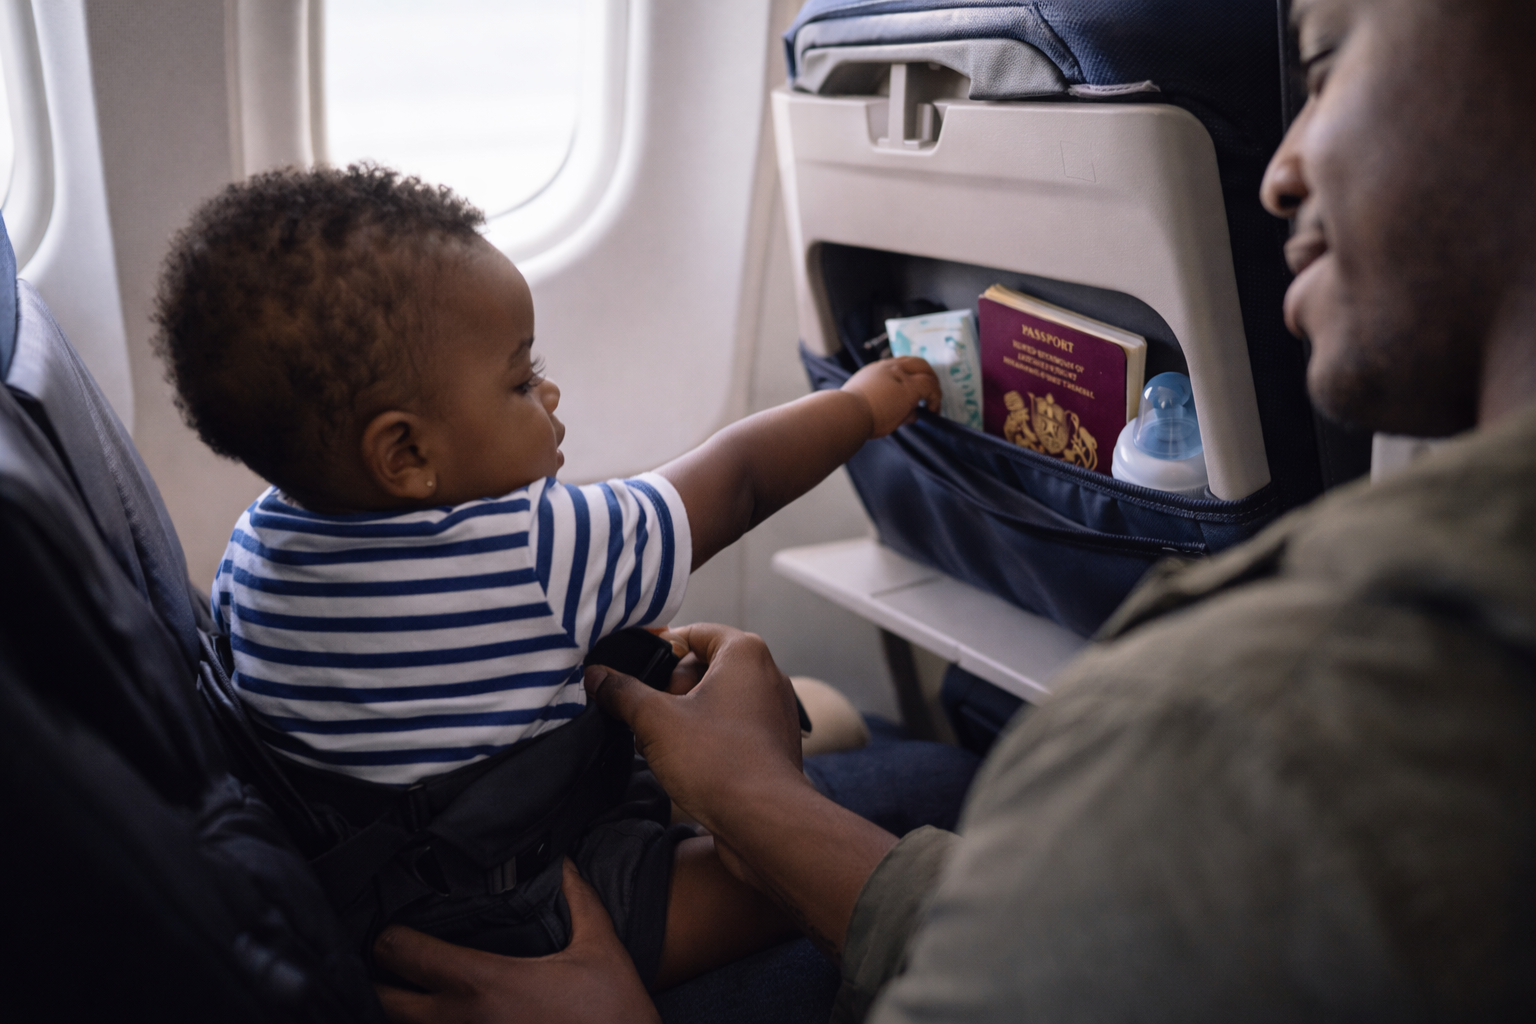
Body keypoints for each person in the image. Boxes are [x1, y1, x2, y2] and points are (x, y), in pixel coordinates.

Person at [373, 0, 1536, 1018]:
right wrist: (755, 797)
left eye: (1323, 66)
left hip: (463, 892)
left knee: (904, 762)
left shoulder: (1201, 722)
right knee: (907, 764)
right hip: (563, 862)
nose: (1280, 171)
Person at [150, 165, 942, 992]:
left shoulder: (255, 544)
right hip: (538, 911)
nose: (550, 390)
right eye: (521, 380)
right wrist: (860, 404)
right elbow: (737, 480)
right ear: (405, 454)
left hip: (369, 890)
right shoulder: (537, 549)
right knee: (813, 878)